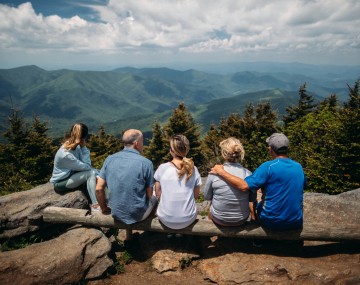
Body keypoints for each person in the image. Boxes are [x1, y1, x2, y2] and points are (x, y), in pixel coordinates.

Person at [210, 133, 306, 230]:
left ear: (270, 149)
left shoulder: (268, 166)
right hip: (295, 221)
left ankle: (257, 235)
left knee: (258, 204)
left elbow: (244, 186)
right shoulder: (298, 166)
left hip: (272, 221)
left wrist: (221, 172)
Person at [96, 129, 157, 225]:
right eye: (142, 142)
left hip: (115, 213)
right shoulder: (146, 163)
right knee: (154, 197)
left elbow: (99, 188)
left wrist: (104, 208)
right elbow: (149, 195)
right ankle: (151, 229)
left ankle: (129, 236)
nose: (143, 145)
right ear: (137, 143)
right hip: (138, 216)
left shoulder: (109, 159)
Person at [154, 134, 202, 229]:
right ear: (186, 150)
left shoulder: (162, 168)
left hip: (166, 218)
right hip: (188, 218)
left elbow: (158, 193)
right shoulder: (193, 169)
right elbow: (195, 196)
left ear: (171, 151)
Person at [204, 137, 254, 226]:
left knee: (212, 207)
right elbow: (251, 198)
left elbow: (207, 196)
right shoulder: (248, 173)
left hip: (219, 219)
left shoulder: (214, 172)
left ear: (223, 154)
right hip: (241, 219)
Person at [50, 123, 99, 211]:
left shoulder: (74, 146)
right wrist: (84, 149)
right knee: (91, 173)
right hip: (60, 183)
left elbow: (84, 165)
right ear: (83, 138)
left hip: (71, 176)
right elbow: (87, 166)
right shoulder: (66, 154)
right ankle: (96, 206)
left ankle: (107, 201)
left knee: (97, 172)